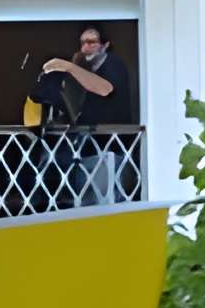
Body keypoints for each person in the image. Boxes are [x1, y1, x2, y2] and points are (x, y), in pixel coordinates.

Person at [33, 25, 137, 204]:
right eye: (82, 43)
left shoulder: (113, 62)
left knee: (106, 208)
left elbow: (105, 89)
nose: (85, 48)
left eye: (91, 42)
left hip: (111, 149)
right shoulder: (87, 72)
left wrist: (69, 66)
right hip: (91, 149)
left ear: (105, 45)